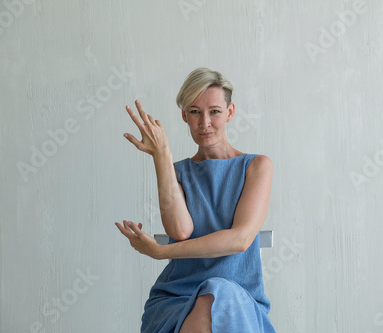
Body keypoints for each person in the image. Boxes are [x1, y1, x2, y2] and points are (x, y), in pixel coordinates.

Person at [115, 67, 275, 332]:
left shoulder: (256, 166)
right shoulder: (177, 171)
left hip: (238, 296)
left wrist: (160, 251)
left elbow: (240, 239)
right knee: (206, 302)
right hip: (177, 297)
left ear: (230, 113)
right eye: (195, 112)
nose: (204, 123)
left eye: (214, 111)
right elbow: (181, 230)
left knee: (215, 294)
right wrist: (161, 155)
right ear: (184, 116)